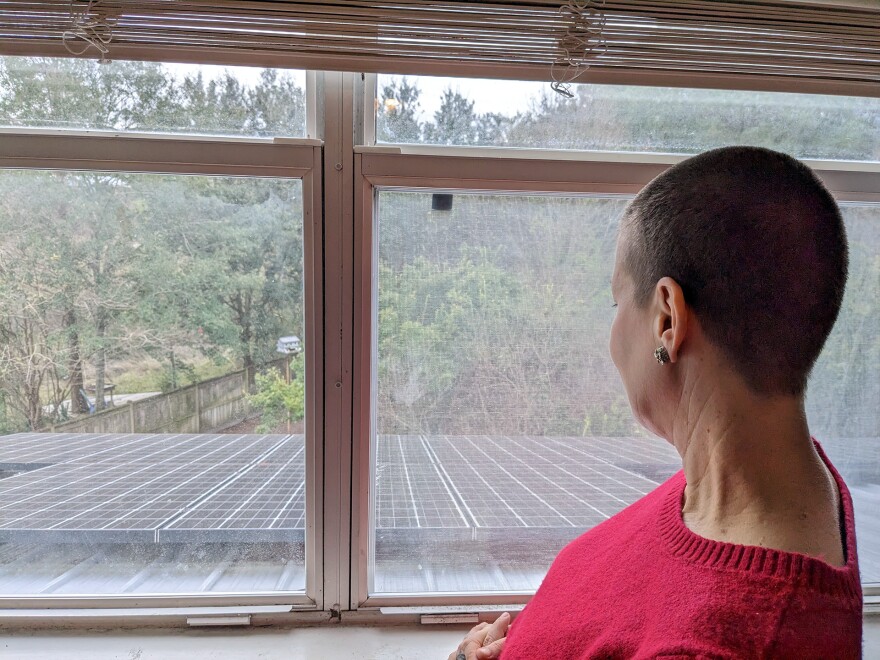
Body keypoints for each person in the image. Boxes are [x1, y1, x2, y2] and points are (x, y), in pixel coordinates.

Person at [450, 146, 862, 660]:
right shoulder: (758, 472)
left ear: (667, 318)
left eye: (617, 302)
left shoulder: (728, 640)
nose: (612, 332)